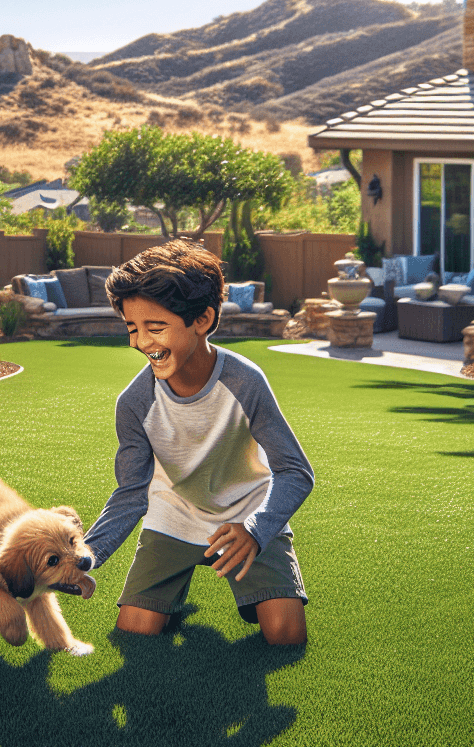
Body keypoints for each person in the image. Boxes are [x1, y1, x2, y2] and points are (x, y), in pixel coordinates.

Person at [83, 240, 314, 645]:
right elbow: (132, 494)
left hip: (246, 512)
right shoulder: (134, 403)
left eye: (155, 328)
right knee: (134, 632)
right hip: (175, 513)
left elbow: (295, 471)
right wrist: (84, 559)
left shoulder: (245, 382)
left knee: (285, 635)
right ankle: (168, 598)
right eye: (132, 329)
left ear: (202, 319)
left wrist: (256, 529)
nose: (141, 342)